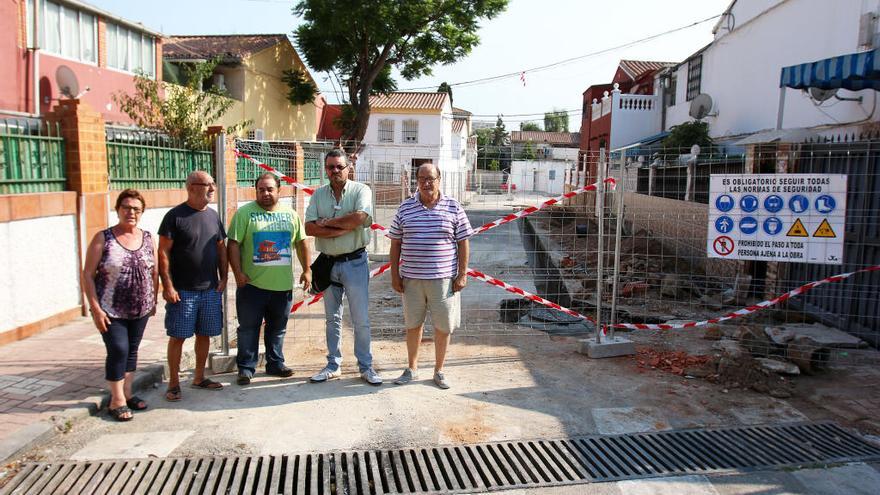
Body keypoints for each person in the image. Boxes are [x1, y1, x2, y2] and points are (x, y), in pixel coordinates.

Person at [389, 163, 473, 389]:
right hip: (412, 280)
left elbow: (463, 241)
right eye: (422, 178)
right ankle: (412, 368)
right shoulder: (405, 208)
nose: (427, 183)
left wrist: (462, 274)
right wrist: (394, 275)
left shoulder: (453, 207)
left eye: (431, 178)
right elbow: (395, 242)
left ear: (439, 180)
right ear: (416, 181)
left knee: (442, 327)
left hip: (443, 280)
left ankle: (439, 370)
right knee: (413, 325)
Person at [305, 149, 382, 385]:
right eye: (331, 167)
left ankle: (366, 367)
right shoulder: (318, 195)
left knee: (360, 319)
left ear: (348, 168)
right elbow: (309, 228)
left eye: (340, 166)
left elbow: (359, 217)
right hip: (328, 262)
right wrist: (344, 226)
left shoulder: (361, 190)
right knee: (332, 319)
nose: (335, 171)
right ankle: (333, 365)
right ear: (325, 169)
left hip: (355, 262)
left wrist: (327, 223)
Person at [228, 173, 312, 385]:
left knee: (278, 328)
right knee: (248, 328)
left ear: (279, 190)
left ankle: (275, 363)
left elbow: (302, 242)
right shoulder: (244, 213)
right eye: (261, 190)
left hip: (281, 286)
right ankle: (246, 368)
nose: (265, 193)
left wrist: (307, 270)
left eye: (269, 189)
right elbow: (233, 244)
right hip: (251, 285)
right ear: (255, 191)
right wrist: (237, 272)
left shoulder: (291, 215)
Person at [82, 189, 158, 421]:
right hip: (110, 308)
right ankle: (116, 401)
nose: (131, 212)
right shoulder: (103, 238)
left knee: (132, 350)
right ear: (117, 210)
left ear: (142, 212)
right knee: (118, 349)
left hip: (140, 307)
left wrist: (154, 299)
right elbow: (87, 273)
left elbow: (154, 270)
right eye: (126, 207)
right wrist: (95, 308)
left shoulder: (147, 237)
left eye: (136, 208)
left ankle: (126, 394)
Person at [158, 170, 228, 401]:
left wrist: (224, 276)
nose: (212, 188)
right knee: (178, 336)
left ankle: (199, 377)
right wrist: (167, 286)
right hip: (183, 290)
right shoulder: (175, 216)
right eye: (208, 184)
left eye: (213, 184)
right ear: (191, 187)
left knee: (205, 334)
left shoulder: (213, 216)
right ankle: (174, 384)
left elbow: (220, 248)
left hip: (209, 289)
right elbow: (163, 252)